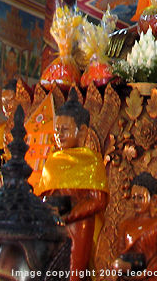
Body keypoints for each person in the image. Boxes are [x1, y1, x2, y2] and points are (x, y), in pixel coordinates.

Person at [35, 93, 108, 275]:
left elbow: (99, 201)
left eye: (65, 130)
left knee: (74, 272)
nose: (59, 135)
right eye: (57, 130)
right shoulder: (52, 160)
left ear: (81, 132)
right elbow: (44, 195)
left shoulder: (91, 161)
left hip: (79, 224)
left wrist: (71, 215)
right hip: (54, 223)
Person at [111, 172, 157, 274]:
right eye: (133, 197)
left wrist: (147, 272)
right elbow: (121, 253)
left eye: (140, 198)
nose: (136, 202)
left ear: (153, 199)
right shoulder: (125, 224)